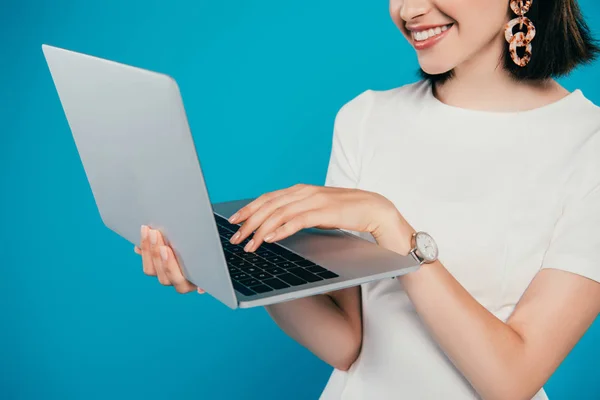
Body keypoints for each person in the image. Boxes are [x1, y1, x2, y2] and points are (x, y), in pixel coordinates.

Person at [134, 0, 600, 398]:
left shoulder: (587, 143)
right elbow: (347, 343)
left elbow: (512, 380)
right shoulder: (366, 118)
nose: (408, 10)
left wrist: (392, 227)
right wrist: (243, 263)